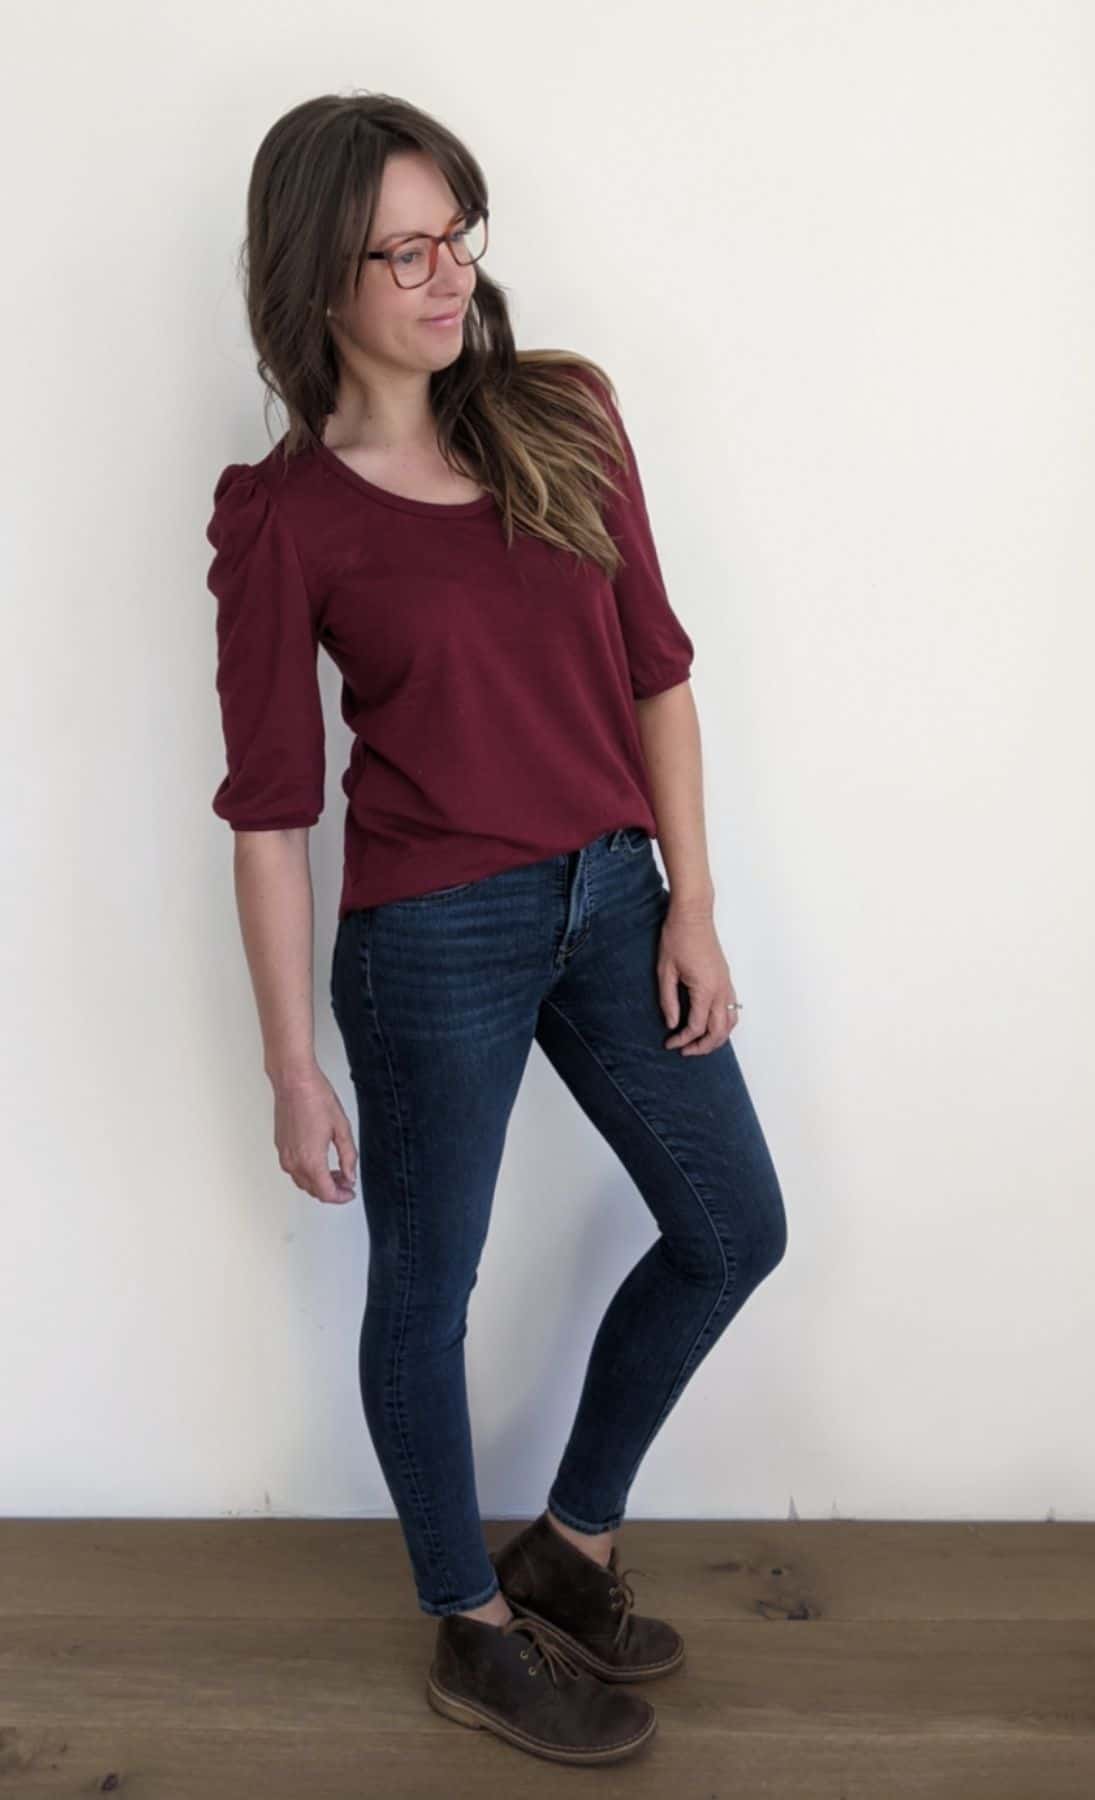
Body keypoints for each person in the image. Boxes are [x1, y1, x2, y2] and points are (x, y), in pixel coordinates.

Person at [205, 89, 788, 1768]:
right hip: (431, 940)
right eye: (405, 248)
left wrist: (691, 898)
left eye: (457, 232)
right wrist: (289, 1068)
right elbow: (270, 808)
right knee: (425, 1291)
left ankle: (570, 1548)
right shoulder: (289, 516)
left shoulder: (565, 413)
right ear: (321, 277)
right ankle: (469, 1622)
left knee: (733, 1227)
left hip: (614, 900)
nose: (448, 274)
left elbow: (658, 670)